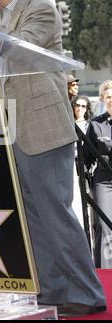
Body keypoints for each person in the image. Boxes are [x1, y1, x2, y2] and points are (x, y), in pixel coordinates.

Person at [0, 0, 106, 317]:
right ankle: (52, 289)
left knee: (54, 212)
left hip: (43, 127)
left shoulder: (39, 8)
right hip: (10, 128)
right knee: (31, 216)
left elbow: (21, 50)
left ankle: (87, 292)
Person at [84, 80, 112, 269]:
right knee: (105, 226)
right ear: (102, 99)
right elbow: (86, 158)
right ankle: (106, 275)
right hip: (104, 182)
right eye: (108, 96)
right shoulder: (95, 125)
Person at [71, 95, 93, 227]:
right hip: (69, 164)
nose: (80, 108)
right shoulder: (68, 124)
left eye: (83, 106)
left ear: (87, 108)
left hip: (84, 165)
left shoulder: (91, 125)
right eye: (77, 105)